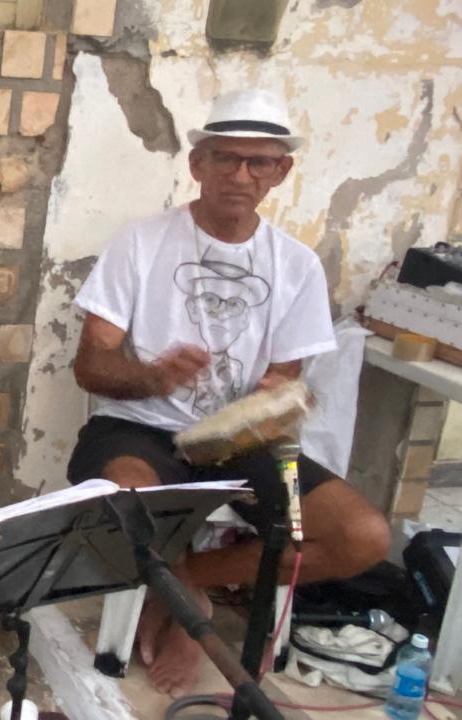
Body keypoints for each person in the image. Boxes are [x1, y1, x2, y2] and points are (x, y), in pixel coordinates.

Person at [67, 90, 391, 696]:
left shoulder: (296, 265)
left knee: (363, 535)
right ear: (198, 164)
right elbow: (89, 366)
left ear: (280, 171)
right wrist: (153, 376)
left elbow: (283, 378)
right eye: (225, 158)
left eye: (258, 162)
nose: (240, 175)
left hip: (240, 438)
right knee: (126, 500)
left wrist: (278, 394)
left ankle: (189, 584)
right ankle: (174, 592)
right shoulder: (141, 243)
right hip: (140, 425)